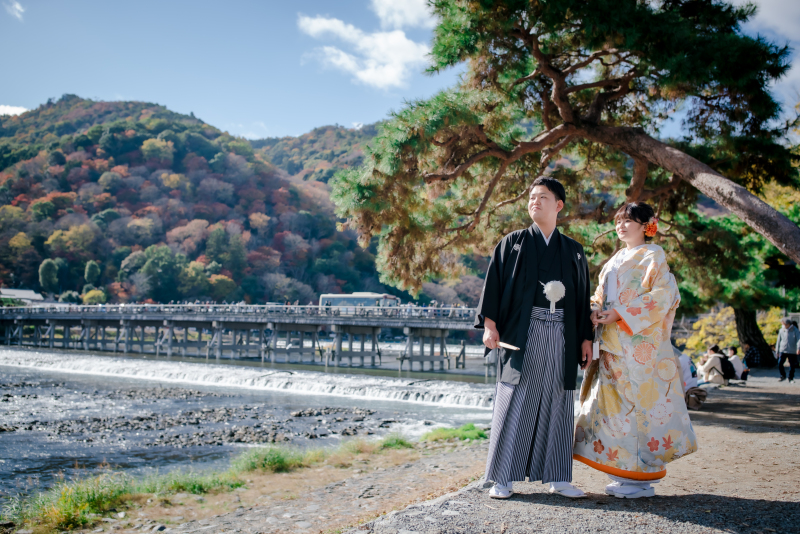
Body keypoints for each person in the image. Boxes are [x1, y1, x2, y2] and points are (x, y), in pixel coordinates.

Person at [475, 176, 593, 499]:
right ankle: (503, 478)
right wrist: (489, 325)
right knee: (516, 397)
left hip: (563, 333)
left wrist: (585, 338)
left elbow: (582, 298)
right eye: (531, 197)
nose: (534, 202)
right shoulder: (512, 243)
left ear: (559, 205)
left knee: (559, 400)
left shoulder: (574, 251)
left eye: (542, 197)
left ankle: (559, 477)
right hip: (521, 332)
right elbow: (493, 286)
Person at [573, 201, 697, 499]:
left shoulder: (654, 255)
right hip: (611, 345)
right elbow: (600, 295)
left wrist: (620, 314)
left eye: (628, 220)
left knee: (637, 408)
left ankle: (640, 477)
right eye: (618, 221)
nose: (621, 226)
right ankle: (622, 472)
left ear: (646, 226)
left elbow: (664, 295)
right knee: (611, 409)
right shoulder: (614, 260)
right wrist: (594, 310)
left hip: (638, 348)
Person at [775, 318, 799, 383]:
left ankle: (791, 378)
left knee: (792, 365)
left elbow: (798, 340)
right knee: (780, 363)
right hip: (783, 349)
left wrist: (798, 348)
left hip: (792, 350)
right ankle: (783, 375)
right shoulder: (781, 330)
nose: (783, 325)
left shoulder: (795, 330)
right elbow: (778, 341)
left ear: (788, 324)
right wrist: (777, 351)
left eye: (784, 324)